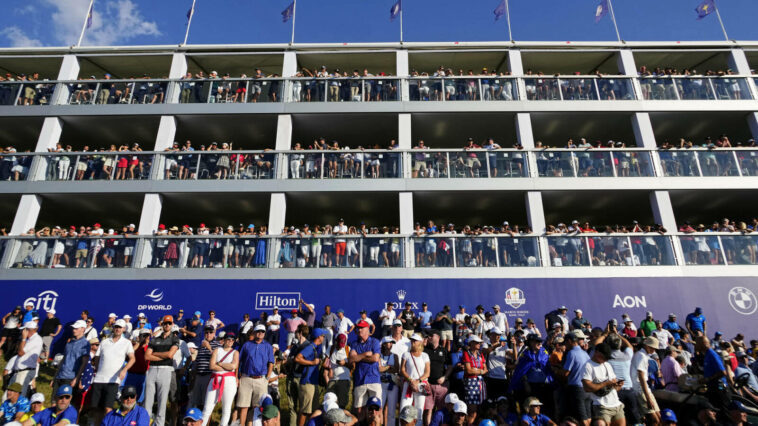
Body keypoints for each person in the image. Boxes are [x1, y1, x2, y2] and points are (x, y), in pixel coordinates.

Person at [90, 319, 135, 423]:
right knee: (96, 408)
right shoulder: (104, 342)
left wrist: (124, 370)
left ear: (124, 329)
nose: (118, 329)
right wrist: (98, 369)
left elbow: (132, 358)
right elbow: (97, 357)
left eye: (120, 327)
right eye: (116, 327)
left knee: (108, 408)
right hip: (99, 379)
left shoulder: (127, 343)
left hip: (113, 380)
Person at [144, 315, 180, 426]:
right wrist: (162, 355)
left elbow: (170, 355)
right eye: (165, 323)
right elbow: (146, 356)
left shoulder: (175, 339)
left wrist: (154, 353)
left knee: (162, 401)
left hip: (166, 370)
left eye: (169, 323)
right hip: (152, 370)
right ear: (162, 324)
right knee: (147, 401)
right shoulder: (154, 340)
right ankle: (145, 423)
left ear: (172, 325)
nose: (167, 325)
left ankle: (159, 424)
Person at [237, 324, 274, 426]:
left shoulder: (268, 346)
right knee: (243, 406)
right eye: (258, 331)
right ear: (254, 332)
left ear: (264, 333)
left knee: (257, 407)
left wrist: (268, 378)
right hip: (246, 378)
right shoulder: (246, 345)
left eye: (262, 331)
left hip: (261, 379)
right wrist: (237, 377)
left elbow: (271, 362)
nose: (260, 333)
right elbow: (238, 361)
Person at [581, 343, 625, 426]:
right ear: (597, 352)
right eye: (605, 357)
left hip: (616, 403)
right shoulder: (588, 366)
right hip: (601, 406)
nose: (606, 359)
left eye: (608, 358)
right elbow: (587, 388)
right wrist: (606, 383)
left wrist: (618, 385)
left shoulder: (607, 365)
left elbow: (614, 388)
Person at [201, 332, 239, 426]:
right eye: (228, 339)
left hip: (229, 381)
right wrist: (228, 367)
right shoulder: (217, 350)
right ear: (224, 340)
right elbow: (211, 366)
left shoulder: (235, 352)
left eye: (232, 340)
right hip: (215, 379)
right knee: (207, 408)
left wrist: (220, 364)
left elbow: (234, 366)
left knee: (226, 408)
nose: (230, 341)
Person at [349, 320, 382, 421]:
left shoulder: (375, 341)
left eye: (362, 327)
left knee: (377, 410)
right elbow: (351, 359)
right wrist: (365, 354)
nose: (359, 330)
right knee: (360, 410)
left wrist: (358, 357)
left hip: (374, 379)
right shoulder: (354, 343)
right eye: (358, 328)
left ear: (368, 329)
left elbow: (375, 359)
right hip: (360, 379)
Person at [296, 328, 327, 426]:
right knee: (305, 411)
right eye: (323, 336)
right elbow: (297, 358)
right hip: (307, 383)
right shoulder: (310, 347)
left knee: (313, 411)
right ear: (318, 337)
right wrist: (312, 362)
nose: (323, 337)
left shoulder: (317, 347)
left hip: (313, 383)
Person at [561, 331, 591, 426]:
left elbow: (565, 373)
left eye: (565, 343)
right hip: (587, 388)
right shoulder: (585, 353)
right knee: (588, 417)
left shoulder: (571, 353)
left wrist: (556, 370)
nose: (565, 346)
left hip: (577, 389)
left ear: (569, 341)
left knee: (582, 419)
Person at [51, 320, 89, 395]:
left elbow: (84, 363)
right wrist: (55, 377)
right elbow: (63, 360)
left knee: (64, 403)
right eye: (73, 328)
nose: (74, 330)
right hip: (60, 376)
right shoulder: (69, 343)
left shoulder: (86, 344)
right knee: (54, 402)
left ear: (83, 329)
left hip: (70, 378)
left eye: (76, 328)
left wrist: (77, 378)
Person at [400, 334, 430, 423]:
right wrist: (411, 380)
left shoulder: (425, 355)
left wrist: (417, 381)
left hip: (421, 385)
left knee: (419, 411)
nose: (412, 342)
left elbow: (427, 372)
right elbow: (402, 369)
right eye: (412, 340)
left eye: (415, 340)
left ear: (420, 342)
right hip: (408, 383)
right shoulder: (406, 354)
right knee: (403, 409)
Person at [630, 337, 660, 424]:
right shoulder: (641, 356)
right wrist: (648, 397)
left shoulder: (642, 355)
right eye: (652, 347)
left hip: (643, 388)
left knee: (658, 417)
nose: (653, 350)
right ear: (646, 346)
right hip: (640, 389)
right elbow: (641, 377)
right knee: (654, 420)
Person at [189, 325, 220, 409]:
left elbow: (218, 360)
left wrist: (209, 347)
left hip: (209, 376)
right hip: (199, 376)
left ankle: (205, 421)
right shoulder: (201, 345)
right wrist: (194, 374)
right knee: (198, 402)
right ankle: (198, 421)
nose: (208, 334)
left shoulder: (217, 345)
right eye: (206, 332)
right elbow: (198, 361)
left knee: (207, 403)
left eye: (210, 332)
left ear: (214, 333)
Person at [424, 329, 450, 426]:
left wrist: (445, 377)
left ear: (438, 337)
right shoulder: (425, 350)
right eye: (428, 335)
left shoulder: (444, 351)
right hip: (428, 385)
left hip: (441, 386)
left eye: (431, 335)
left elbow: (450, 366)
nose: (429, 337)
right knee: (428, 411)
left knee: (441, 411)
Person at [463, 335, 488, 422]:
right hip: (471, 383)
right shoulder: (466, 353)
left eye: (480, 343)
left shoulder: (480, 354)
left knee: (480, 411)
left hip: (480, 383)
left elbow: (486, 370)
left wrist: (477, 370)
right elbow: (469, 371)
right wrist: (480, 371)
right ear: (471, 343)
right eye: (477, 342)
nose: (479, 344)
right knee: (472, 411)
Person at [13, 321, 42, 395]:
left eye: (24, 330)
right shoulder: (30, 339)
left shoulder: (36, 339)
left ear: (28, 330)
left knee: (18, 395)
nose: (22, 332)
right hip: (20, 371)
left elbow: (20, 352)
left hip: (25, 371)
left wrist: (23, 339)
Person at [378, 336, 399, 426]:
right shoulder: (378, 355)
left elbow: (397, 369)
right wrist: (390, 367)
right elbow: (377, 369)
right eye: (388, 343)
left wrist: (384, 368)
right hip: (380, 384)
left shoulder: (395, 356)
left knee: (391, 411)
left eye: (391, 343)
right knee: (379, 408)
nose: (390, 345)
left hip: (392, 385)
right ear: (383, 344)